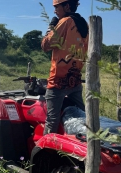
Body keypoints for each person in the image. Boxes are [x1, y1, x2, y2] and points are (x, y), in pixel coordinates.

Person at [41, 0, 89, 135]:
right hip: (75, 79)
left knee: (52, 119)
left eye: (57, 7)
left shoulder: (65, 21)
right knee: (82, 116)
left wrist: (51, 27)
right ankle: (84, 146)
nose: (54, 10)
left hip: (58, 81)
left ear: (67, 6)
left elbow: (45, 45)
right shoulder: (84, 24)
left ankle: (47, 153)